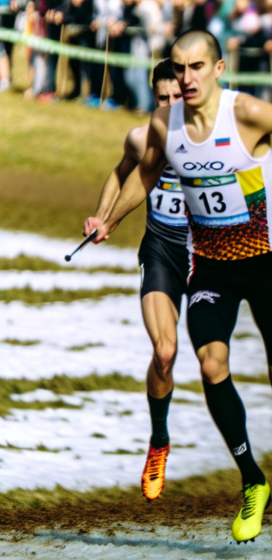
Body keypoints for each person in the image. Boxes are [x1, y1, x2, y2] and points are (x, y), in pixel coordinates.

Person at [88, 30, 272, 554]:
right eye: (180, 69)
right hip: (209, 269)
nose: (187, 78)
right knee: (210, 365)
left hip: (267, 268)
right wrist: (112, 218)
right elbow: (147, 172)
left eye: (198, 67)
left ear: (220, 68)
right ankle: (253, 479)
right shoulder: (166, 122)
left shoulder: (246, 114)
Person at [84, 60, 187, 500]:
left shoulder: (215, 142)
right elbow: (120, 173)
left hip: (207, 257)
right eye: (161, 99)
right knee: (164, 351)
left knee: (215, 364)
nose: (168, 107)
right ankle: (159, 441)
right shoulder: (141, 138)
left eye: (176, 98)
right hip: (161, 250)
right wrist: (101, 218)